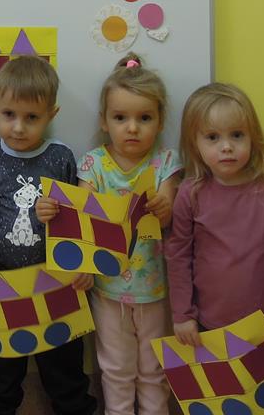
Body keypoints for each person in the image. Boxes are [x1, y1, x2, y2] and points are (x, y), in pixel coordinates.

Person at [0, 55, 97, 415]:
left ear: (52, 114)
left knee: (64, 368)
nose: (18, 127)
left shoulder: (61, 158)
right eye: (9, 114)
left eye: (32, 117)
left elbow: (80, 218)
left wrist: (78, 252)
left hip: (54, 277)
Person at [72, 54, 182, 415]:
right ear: (104, 121)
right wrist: (83, 264)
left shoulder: (166, 162)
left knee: (153, 371)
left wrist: (163, 207)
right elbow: (82, 221)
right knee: (116, 370)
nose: (132, 128)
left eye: (144, 118)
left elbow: (168, 213)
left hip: (155, 290)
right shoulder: (93, 164)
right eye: (121, 118)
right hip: (108, 290)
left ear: (160, 121)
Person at [165, 82, 264, 349]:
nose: (226, 146)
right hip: (206, 327)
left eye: (237, 135)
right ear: (194, 143)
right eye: (212, 137)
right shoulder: (190, 194)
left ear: (253, 137)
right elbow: (178, 258)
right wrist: (182, 314)